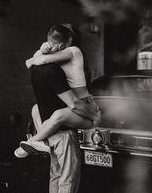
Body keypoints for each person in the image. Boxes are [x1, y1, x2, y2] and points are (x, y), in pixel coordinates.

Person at [23, 24, 92, 193]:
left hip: (50, 130)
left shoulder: (38, 67)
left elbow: (36, 60)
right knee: (68, 177)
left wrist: (40, 53)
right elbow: (72, 103)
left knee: (56, 174)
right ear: (63, 44)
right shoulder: (54, 70)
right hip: (63, 132)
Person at [17, 24, 100, 155]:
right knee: (35, 109)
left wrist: (32, 60)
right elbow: (39, 56)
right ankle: (43, 142)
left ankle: (35, 140)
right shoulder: (57, 52)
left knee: (58, 115)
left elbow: (41, 60)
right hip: (71, 106)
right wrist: (43, 48)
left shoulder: (74, 51)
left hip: (85, 107)